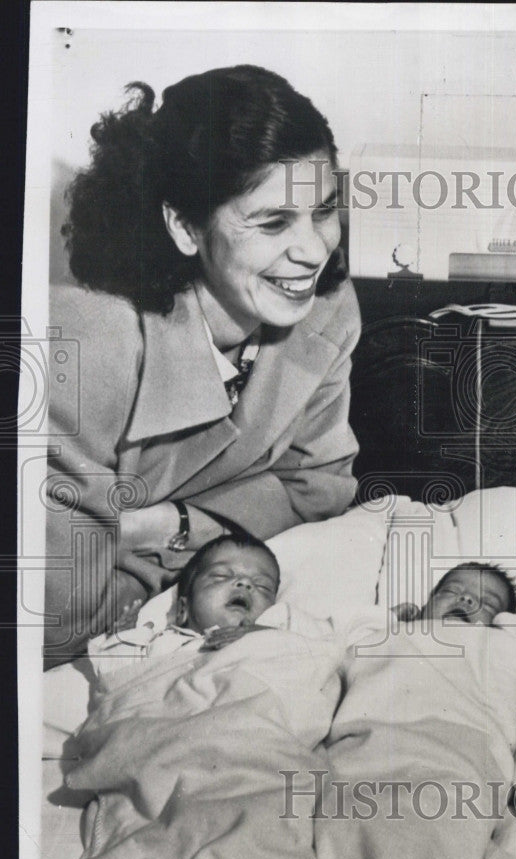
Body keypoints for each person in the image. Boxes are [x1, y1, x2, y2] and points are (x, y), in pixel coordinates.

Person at [45, 64, 360, 666]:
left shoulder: (326, 310)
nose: (316, 250)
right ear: (184, 226)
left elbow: (320, 490)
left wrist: (164, 526)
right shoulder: (84, 339)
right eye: (273, 222)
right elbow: (55, 621)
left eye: (323, 211)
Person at [86, 532, 332, 690]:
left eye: (262, 586)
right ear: (182, 609)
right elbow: (116, 683)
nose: (245, 584)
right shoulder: (163, 643)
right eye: (221, 576)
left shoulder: (280, 626)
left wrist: (266, 635)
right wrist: (123, 639)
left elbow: (324, 650)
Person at [393, 561, 516, 626]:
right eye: (451, 591)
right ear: (426, 605)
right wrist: (390, 617)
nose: (466, 598)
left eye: (487, 604)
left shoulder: (498, 650)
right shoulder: (403, 629)